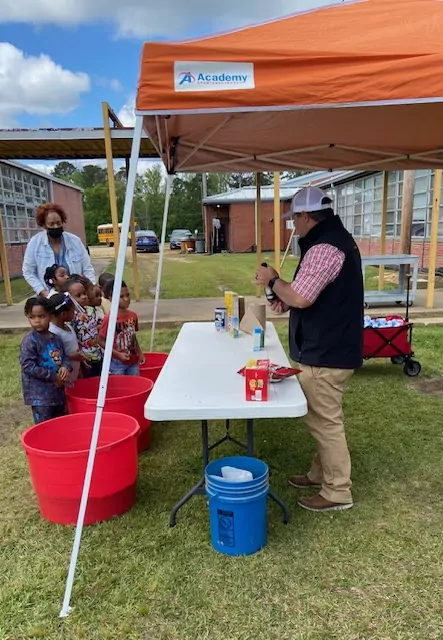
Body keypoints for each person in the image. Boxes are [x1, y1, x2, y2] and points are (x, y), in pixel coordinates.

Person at [255, 186, 363, 513]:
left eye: (294, 220)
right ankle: (320, 474)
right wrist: (280, 292)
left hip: (327, 352)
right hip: (331, 348)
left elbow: (301, 297)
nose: (293, 226)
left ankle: (337, 490)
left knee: (326, 423)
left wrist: (272, 281)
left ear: (306, 216)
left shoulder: (325, 247)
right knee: (321, 418)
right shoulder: (330, 241)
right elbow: (303, 295)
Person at [22, 202, 96, 297]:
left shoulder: (75, 241)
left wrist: (90, 289)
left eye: (58, 223)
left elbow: (87, 269)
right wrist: (46, 294)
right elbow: (28, 272)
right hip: (48, 299)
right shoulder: (35, 243)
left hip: (77, 298)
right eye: (51, 224)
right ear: (44, 225)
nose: (56, 227)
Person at [20, 296, 72, 425]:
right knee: (44, 427)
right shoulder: (30, 341)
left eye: (41, 316)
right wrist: (54, 376)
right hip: (40, 397)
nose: (37, 321)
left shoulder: (56, 338)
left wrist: (65, 367)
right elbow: (28, 366)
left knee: (60, 424)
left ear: (50, 315)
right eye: (32, 317)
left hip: (58, 393)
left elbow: (65, 357)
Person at [98, 280, 144, 376]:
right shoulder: (109, 319)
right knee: (120, 383)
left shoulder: (133, 316)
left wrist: (140, 353)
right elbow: (101, 341)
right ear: (111, 298)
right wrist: (117, 354)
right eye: (121, 297)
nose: (126, 299)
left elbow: (133, 337)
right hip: (117, 363)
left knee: (134, 383)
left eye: (128, 295)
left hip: (133, 360)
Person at [65, 278, 103, 378]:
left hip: (98, 354)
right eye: (78, 295)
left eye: (84, 293)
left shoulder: (91, 310)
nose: (84, 297)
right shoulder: (71, 318)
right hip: (85, 358)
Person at [48, 293, 86, 384]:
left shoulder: (68, 327)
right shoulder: (53, 332)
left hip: (74, 373)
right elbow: (54, 356)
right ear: (63, 314)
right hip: (64, 376)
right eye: (72, 311)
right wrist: (73, 357)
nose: (75, 313)